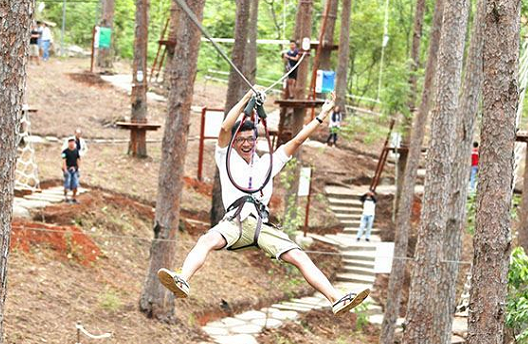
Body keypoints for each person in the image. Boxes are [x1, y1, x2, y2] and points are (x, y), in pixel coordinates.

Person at [158, 90, 370, 316]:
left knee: (298, 256)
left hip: (261, 225)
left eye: (250, 139)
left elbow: (298, 140)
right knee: (207, 240)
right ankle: (182, 279)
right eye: (240, 140)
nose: (246, 144)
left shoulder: (269, 162)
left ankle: (335, 298)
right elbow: (223, 129)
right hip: (235, 222)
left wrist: (322, 115)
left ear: (256, 140)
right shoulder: (226, 158)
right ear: (234, 143)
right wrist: (244, 100)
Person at [62, 138, 81, 203]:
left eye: (73, 142)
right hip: (68, 168)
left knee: (75, 183)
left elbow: (78, 159)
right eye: (70, 142)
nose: (72, 144)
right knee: (67, 182)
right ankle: (66, 197)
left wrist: (78, 168)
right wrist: (65, 170)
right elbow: (63, 161)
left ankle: (74, 197)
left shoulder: (76, 151)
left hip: (74, 169)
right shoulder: (65, 152)